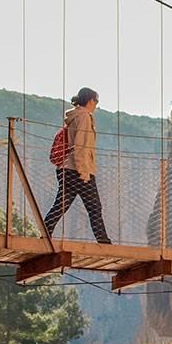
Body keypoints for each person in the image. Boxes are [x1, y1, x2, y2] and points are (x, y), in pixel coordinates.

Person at [43, 87, 112, 244]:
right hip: (78, 170)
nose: (96, 105)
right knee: (94, 208)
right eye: (96, 101)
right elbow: (81, 146)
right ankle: (104, 241)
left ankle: (46, 232)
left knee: (61, 204)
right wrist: (84, 172)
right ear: (90, 101)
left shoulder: (74, 116)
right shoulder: (84, 117)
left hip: (66, 168)